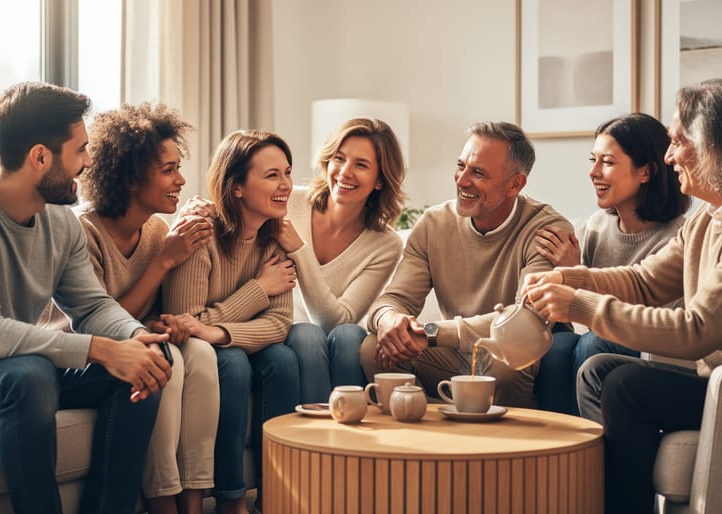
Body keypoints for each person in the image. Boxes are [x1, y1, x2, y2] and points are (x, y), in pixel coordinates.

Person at [523, 78, 722, 514]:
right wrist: (570, 277)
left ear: (717, 145)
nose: (670, 154)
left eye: (678, 141)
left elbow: (696, 331)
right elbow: (645, 282)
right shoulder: (711, 219)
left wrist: (577, 304)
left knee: (625, 384)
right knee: (599, 370)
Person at [0, 81, 173, 514]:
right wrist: (103, 349)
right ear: (40, 157)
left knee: (147, 360)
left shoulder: (60, 223)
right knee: (28, 375)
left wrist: (134, 338)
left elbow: (92, 306)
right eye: (80, 150)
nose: (88, 163)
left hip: (11, 369)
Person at [56, 102, 218, 514]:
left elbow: (145, 316)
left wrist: (172, 324)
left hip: (129, 339)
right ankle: (157, 500)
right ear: (130, 177)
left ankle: (193, 500)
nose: (181, 179)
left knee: (197, 352)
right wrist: (164, 260)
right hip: (77, 359)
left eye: (178, 167)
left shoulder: (156, 231)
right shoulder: (82, 232)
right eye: (168, 169)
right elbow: (93, 319)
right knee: (159, 358)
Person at [359, 121, 573, 407]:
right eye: (461, 166)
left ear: (515, 184)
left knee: (508, 364)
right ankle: (420, 441)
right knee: (374, 347)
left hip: (510, 352)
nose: (461, 180)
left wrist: (434, 334)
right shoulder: (434, 224)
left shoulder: (547, 230)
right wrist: (389, 321)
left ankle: (506, 449)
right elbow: (395, 298)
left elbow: (525, 319)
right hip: (450, 352)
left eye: (478, 173)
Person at [162, 129, 299, 514]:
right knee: (232, 363)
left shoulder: (274, 241)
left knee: (284, 360)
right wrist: (258, 288)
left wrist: (218, 330)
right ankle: (231, 499)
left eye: (287, 173)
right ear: (236, 186)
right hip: (195, 355)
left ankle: (277, 498)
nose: (286, 185)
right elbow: (185, 324)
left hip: (226, 340)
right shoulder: (200, 234)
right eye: (271, 175)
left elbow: (280, 323)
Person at [533, 112, 691, 415]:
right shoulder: (596, 227)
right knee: (556, 347)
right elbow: (581, 321)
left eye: (607, 162)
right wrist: (573, 270)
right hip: (598, 337)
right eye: (592, 160)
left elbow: (657, 325)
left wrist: (583, 277)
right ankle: (558, 447)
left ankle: (592, 449)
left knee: (593, 344)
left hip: (653, 349)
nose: (594, 172)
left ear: (645, 172)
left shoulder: (678, 237)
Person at [280, 117, 405, 404]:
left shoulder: (385, 244)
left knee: (350, 336)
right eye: (339, 158)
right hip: (285, 331)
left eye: (361, 165)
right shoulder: (291, 201)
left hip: (335, 336)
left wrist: (299, 250)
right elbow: (236, 206)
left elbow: (335, 321)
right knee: (307, 336)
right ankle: (318, 439)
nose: (345, 172)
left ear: (380, 180)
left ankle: (352, 439)